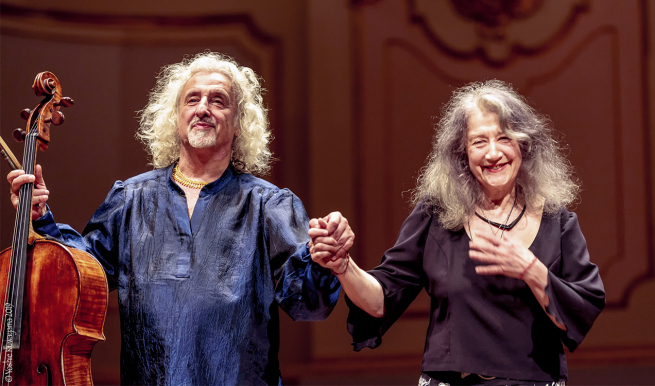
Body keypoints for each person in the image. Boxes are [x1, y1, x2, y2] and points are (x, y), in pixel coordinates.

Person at [8, 52, 341, 385]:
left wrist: (323, 258)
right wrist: (40, 217)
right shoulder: (129, 199)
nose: (202, 108)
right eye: (192, 99)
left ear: (239, 123)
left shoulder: (270, 205)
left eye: (219, 101)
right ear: (176, 117)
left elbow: (308, 305)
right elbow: (79, 277)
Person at [309, 80, 605, 385]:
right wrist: (344, 266)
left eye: (504, 138)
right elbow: (380, 301)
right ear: (462, 153)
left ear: (523, 146)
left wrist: (531, 270)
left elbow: (579, 313)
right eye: (479, 142)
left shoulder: (558, 224)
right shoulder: (435, 216)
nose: (493, 153)